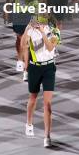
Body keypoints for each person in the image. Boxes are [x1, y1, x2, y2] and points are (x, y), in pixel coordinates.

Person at [21, 15, 61, 147]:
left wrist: (43, 32)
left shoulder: (55, 31)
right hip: (34, 68)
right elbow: (22, 45)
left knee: (47, 104)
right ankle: (29, 123)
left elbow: (50, 47)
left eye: (44, 15)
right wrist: (27, 28)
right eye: (40, 15)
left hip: (49, 68)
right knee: (32, 98)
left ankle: (47, 136)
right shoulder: (31, 30)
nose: (42, 18)